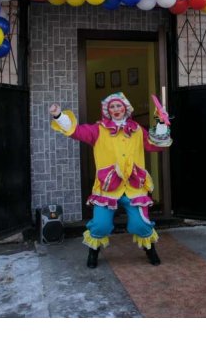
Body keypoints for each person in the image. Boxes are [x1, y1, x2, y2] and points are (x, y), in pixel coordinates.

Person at [49, 92, 171, 269]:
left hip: (134, 186)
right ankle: (93, 252)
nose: (116, 109)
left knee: (141, 224)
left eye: (119, 106)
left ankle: (150, 250)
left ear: (126, 109)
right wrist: (58, 115)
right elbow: (76, 131)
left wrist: (161, 123)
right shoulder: (98, 129)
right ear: (107, 110)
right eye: (112, 107)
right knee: (100, 225)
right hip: (107, 187)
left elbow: (155, 144)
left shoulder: (137, 130)